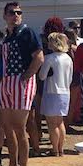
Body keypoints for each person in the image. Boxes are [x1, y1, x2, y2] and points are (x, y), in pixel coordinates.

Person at [0, 2, 44, 166]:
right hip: (8, 82)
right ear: (5, 15)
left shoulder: (27, 32)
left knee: (19, 127)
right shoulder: (8, 36)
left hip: (21, 82)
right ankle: (11, 165)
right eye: (12, 12)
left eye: (19, 12)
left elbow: (39, 57)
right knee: (7, 126)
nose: (16, 15)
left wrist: (25, 77)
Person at [29, 17, 64, 156]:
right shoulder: (63, 41)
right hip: (59, 84)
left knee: (38, 112)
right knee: (58, 118)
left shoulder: (41, 40)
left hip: (41, 78)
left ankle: (38, 135)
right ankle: (57, 144)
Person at [38, 33, 73, 156]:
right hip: (65, 92)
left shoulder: (50, 58)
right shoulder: (68, 58)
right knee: (60, 122)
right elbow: (70, 78)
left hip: (52, 91)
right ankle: (61, 148)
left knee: (52, 124)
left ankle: (55, 149)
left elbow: (42, 76)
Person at [64, 28, 82, 130]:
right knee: (72, 102)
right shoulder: (77, 49)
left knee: (65, 102)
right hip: (75, 77)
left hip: (64, 78)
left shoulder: (62, 50)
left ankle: (63, 122)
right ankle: (68, 123)